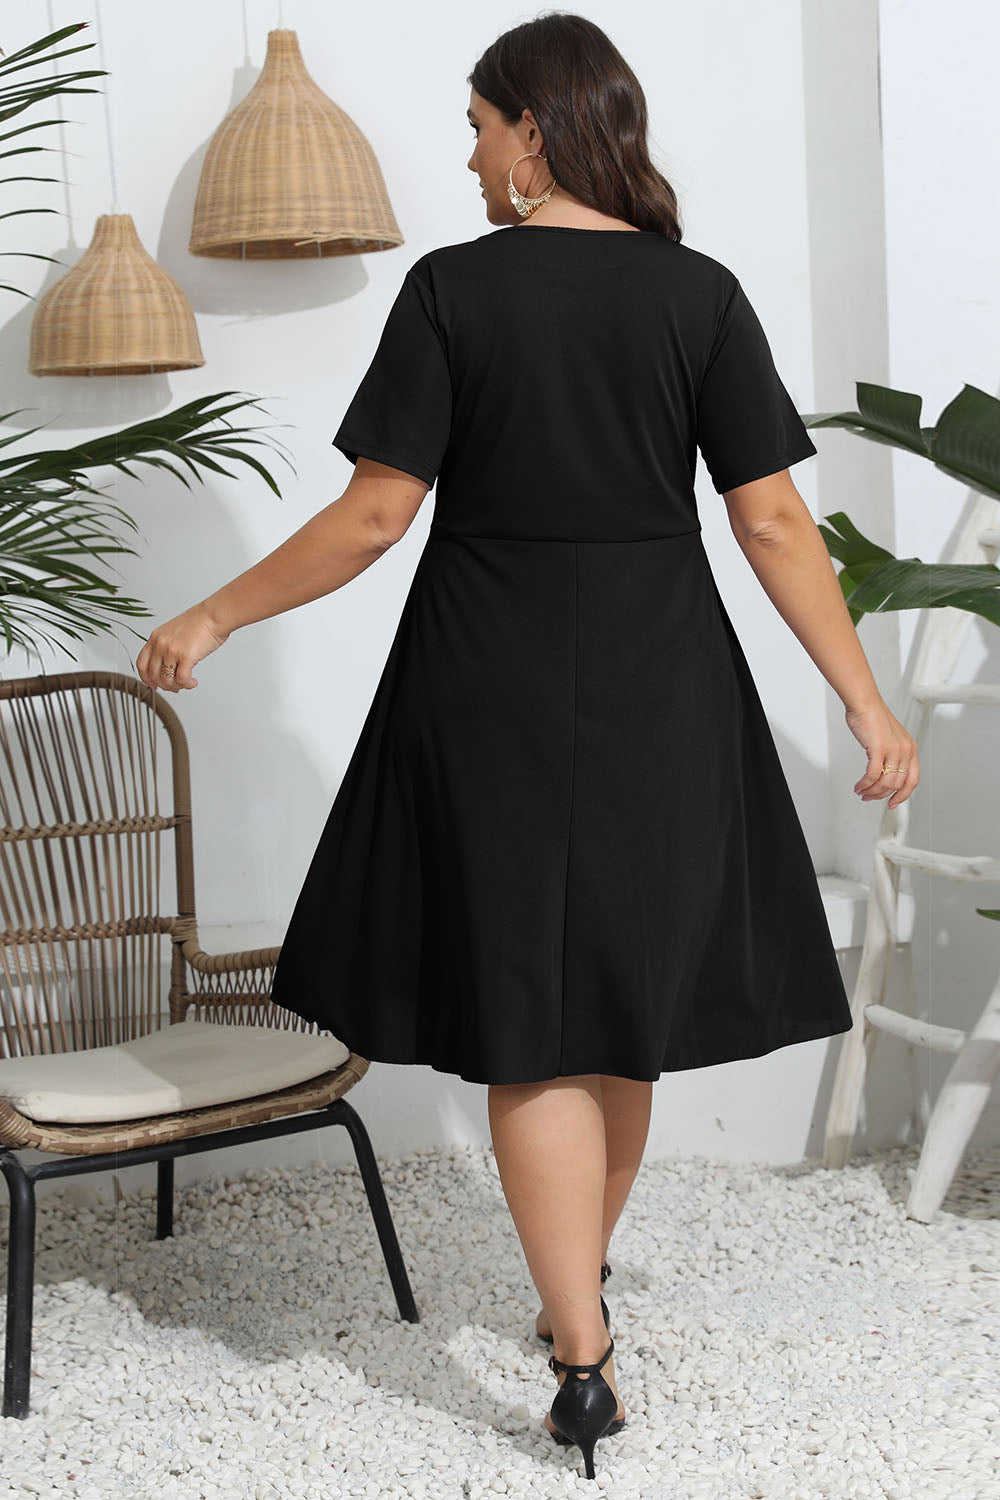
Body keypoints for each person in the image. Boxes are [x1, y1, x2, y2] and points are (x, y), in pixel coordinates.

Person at [135, 12, 919, 1483]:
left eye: (481, 121)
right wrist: (865, 704)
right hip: (662, 686)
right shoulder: (698, 295)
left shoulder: (454, 293)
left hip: (484, 680)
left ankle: (578, 1351)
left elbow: (378, 516)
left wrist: (217, 613)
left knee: (532, 1013)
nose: (470, 148)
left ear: (535, 132)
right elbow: (769, 524)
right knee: (613, 1004)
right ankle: (580, 1320)